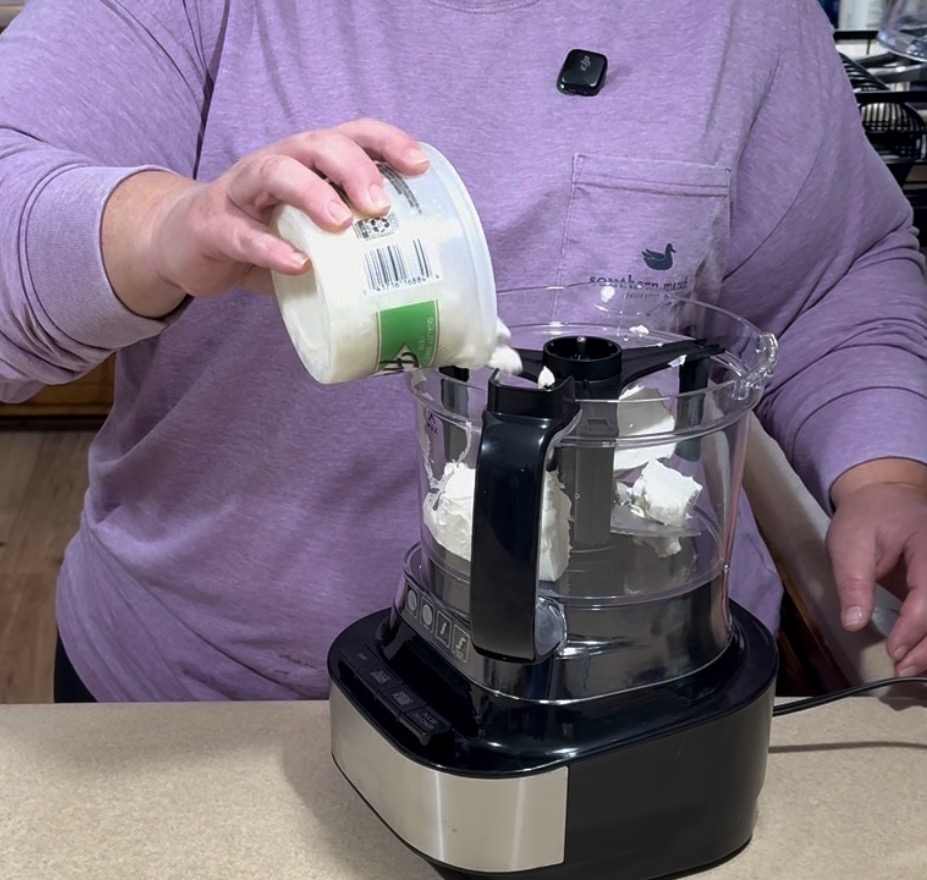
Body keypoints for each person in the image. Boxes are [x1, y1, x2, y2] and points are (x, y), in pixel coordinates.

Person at [0, 0, 925, 702]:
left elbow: (830, 276)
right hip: (212, 699)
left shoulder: (738, 23)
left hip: (641, 681)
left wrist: (889, 475)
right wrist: (165, 228)